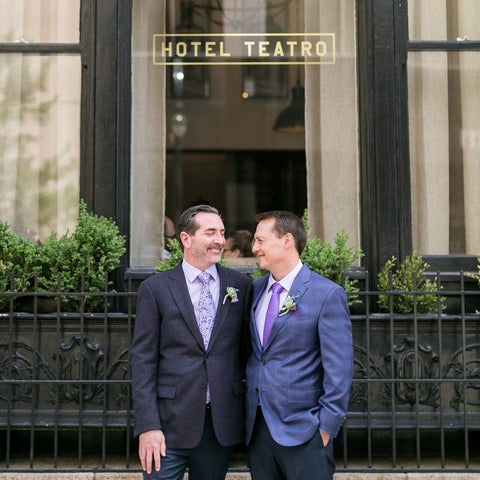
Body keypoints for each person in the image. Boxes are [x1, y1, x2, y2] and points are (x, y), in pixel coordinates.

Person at [131, 205, 252, 480]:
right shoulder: (156, 288)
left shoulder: (240, 286)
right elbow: (143, 361)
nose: (219, 240)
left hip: (218, 425)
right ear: (186, 239)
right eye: (210, 232)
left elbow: (247, 352)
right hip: (167, 423)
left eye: (222, 232)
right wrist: (148, 426)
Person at [245, 210, 353, 480]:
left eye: (260, 240)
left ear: (287, 241)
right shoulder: (254, 290)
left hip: (306, 431)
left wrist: (325, 429)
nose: (254, 248)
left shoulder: (326, 294)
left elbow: (339, 368)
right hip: (259, 430)